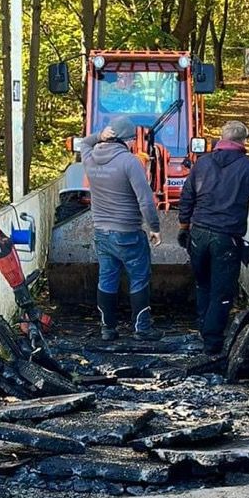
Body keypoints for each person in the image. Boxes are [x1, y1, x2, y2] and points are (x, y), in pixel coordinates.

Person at [177, 118, 249, 356]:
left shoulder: (202, 163)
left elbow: (187, 197)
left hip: (198, 233)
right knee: (222, 291)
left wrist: (184, 226)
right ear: (243, 141)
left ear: (222, 139)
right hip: (226, 237)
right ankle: (212, 343)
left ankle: (204, 328)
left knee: (203, 284)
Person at [84, 113, 162, 340]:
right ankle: (142, 329)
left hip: (101, 232)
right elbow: (145, 200)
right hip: (128, 232)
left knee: (107, 278)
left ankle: (107, 329)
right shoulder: (130, 162)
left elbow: (85, 143)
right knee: (139, 277)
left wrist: (98, 135)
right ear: (128, 140)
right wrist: (154, 227)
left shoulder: (90, 158)